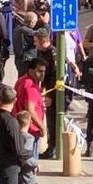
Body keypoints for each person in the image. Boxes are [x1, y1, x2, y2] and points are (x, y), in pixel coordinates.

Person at [13, 57, 47, 161]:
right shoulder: (30, 86)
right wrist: (42, 127)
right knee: (31, 162)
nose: (42, 74)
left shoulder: (21, 80)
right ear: (30, 70)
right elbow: (30, 109)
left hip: (21, 126)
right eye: (39, 71)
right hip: (32, 129)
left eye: (44, 71)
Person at [33, 29, 57, 159]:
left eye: (36, 41)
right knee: (50, 119)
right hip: (46, 88)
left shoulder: (52, 53)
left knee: (53, 119)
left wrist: (49, 95)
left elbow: (54, 76)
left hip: (54, 91)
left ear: (43, 41)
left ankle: (53, 147)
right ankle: (51, 145)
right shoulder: (40, 52)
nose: (34, 44)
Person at [13, 11, 38, 77]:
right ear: (32, 22)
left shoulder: (17, 29)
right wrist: (46, 24)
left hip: (19, 59)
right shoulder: (27, 31)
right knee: (27, 80)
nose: (36, 23)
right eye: (35, 21)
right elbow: (41, 35)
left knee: (21, 79)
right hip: (26, 60)